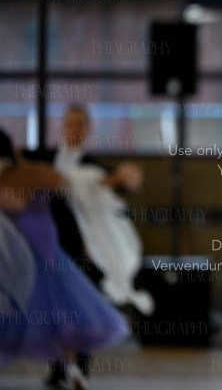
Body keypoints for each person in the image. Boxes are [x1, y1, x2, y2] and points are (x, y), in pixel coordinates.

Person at [0, 129, 129, 390]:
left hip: (35, 259)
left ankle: (72, 371)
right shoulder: (32, 172)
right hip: (32, 257)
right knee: (57, 319)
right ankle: (72, 371)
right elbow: (76, 184)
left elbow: (77, 184)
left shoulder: (25, 175)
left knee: (55, 319)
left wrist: (114, 180)